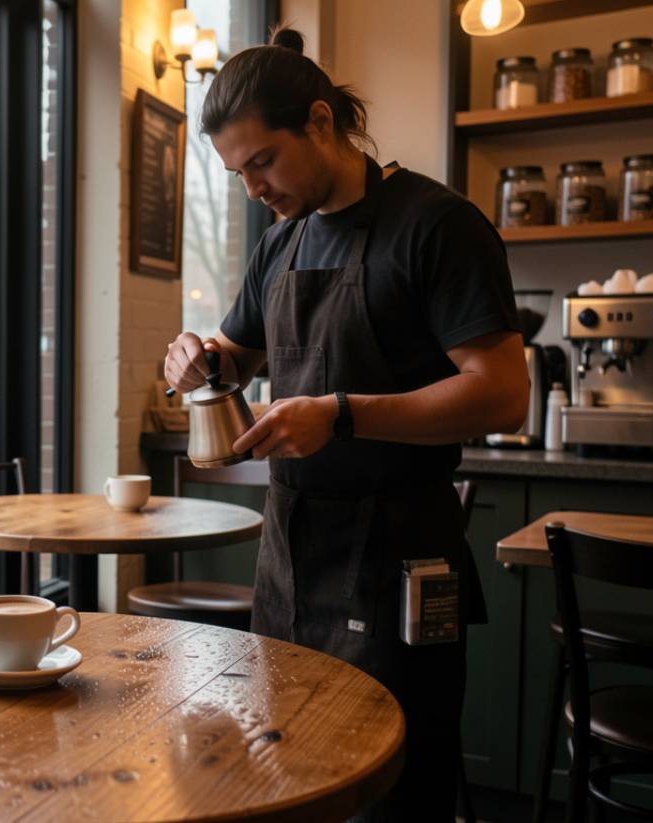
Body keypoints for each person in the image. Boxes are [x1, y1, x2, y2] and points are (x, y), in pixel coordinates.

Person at [163, 28, 529, 822]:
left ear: (321, 123)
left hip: (400, 558)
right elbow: (239, 351)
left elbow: (502, 394)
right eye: (238, 174)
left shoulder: (437, 224)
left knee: (394, 787)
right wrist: (199, 359)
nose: (255, 187)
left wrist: (343, 414)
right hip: (291, 559)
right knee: (285, 776)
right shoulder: (279, 243)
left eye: (264, 161)